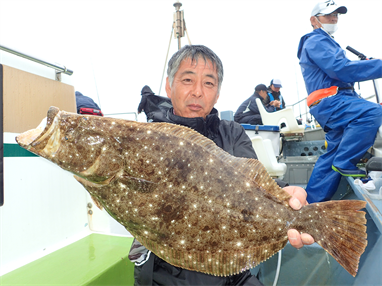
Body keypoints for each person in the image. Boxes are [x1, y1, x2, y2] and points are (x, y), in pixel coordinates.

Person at [131, 45, 314, 286]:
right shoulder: (146, 138)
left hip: (233, 274)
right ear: (169, 85)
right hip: (165, 273)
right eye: (188, 80)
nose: (197, 92)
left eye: (209, 83)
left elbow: (251, 184)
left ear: (217, 94)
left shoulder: (231, 132)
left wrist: (283, 193)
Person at [297, 0, 382, 203]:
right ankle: (346, 161)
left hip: (330, 102)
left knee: (333, 153)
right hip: (332, 101)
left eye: (336, 15)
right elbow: (341, 69)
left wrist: (363, 65)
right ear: (314, 20)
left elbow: (341, 69)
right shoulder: (316, 41)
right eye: (328, 15)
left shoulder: (324, 41)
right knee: (372, 112)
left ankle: (309, 204)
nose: (334, 18)